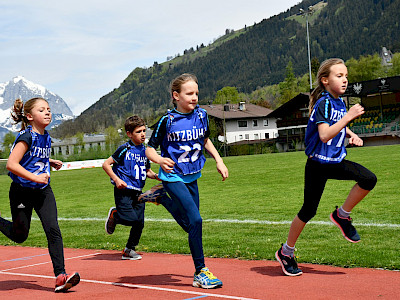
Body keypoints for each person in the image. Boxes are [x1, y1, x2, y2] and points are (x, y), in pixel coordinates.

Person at [275, 58, 377, 276]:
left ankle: (342, 215)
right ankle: (286, 252)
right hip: (318, 165)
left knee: (369, 179)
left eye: (346, 76)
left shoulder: (340, 103)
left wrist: (351, 133)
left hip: (335, 162)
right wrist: (349, 118)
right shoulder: (324, 102)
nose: (345, 80)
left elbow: (336, 124)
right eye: (339, 76)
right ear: (325, 80)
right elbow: (324, 134)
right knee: (308, 210)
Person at [145, 73, 229, 289]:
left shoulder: (201, 115)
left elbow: (205, 140)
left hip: (192, 175)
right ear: (176, 96)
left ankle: (162, 198)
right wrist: (160, 160)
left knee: (191, 224)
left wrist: (219, 161)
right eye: (189, 93)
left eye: (196, 93)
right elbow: (148, 147)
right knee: (197, 221)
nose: (194, 97)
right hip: (172, 176)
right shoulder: (168, 120)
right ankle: (201, 271)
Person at [0, 98, 80, 292]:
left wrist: (49, 161)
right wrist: (35, 177)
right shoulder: (25, 137)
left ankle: (61, 275)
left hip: (43, 191)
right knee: (20, 236)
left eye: (49, 109)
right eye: (42, 110)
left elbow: (34, 156)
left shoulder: (46, 136)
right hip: (21, 192)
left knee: (53, 228)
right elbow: (11, 164)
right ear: (29, 116)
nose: (48, 112)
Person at [103, 115, 161, 260]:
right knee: (131, 219)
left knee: (139, 223)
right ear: (129, 134)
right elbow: (106, 164)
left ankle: (129, 249)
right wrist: (116, 180)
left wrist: (155, 176)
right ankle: (115, 215)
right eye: (138, 131)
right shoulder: (124, 149)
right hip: (124, 191)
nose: (143, 134)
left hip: (138, 192)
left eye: (144, 130)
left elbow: (146, 170)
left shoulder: (146, 151)